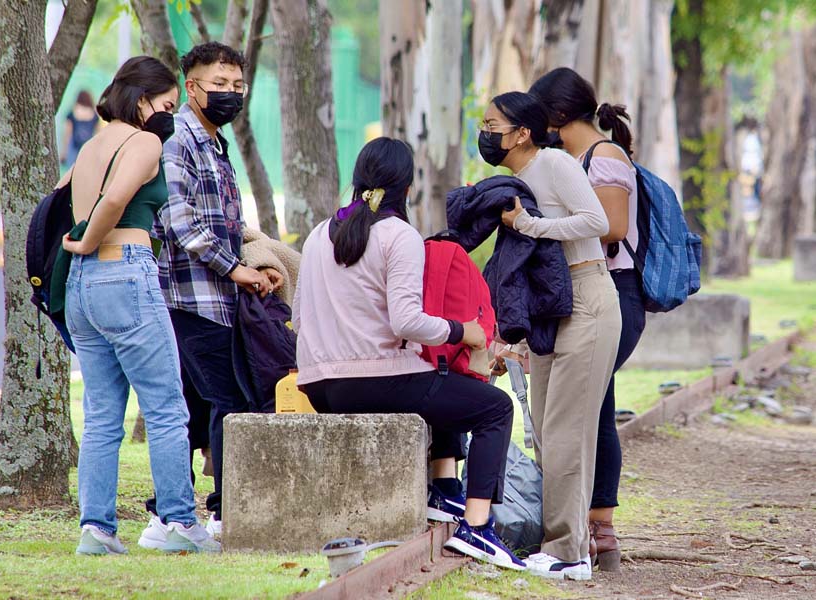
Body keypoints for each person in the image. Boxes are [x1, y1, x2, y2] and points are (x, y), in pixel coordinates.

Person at [293, 137, 521, 570]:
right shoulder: (399, 235)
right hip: (378, 383)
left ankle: (445, 495)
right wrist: (464, 331)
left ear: (357, 180)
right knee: (494, 407)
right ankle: (477, 525)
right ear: (408, 188)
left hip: (320, 387)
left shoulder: (318, 235)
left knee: (435, 377)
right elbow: (406, 322)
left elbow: (299, 319)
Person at [59, 56, 219, 555]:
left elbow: (63, 197)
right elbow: (114, 199)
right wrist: (88, 242)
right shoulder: (145, 140)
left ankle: (97, 531)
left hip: (82, 291)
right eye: (167, 104)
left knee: (103, 414)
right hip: (124, 269)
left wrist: (83, 250)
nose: (169, 115)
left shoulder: (92, 144)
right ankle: (177, 523)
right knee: (168, 407)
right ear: (142, 99)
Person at [139, 41, 277, 547]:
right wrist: (236, 269)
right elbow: (178, 222)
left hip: (216, 296)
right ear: (191, 86)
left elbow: (224, 224)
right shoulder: (179, 139)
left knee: (194, 406)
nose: (230, 94)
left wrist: (257, 259)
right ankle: (220, 513)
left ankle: (167, 515)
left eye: (237, 86)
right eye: (219, 85)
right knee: (230, 398)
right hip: (190, 298)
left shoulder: (216, 145)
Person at [479, 91, 621, 580]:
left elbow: (597, 221)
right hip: (548, 309)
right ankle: (560, 542)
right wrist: (512, 340)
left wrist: (530, 224)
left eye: (493, 124)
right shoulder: (514, 180)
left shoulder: (555, 163)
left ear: (522, 133)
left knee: (566, 432)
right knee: (543, 427)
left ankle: (570, 552)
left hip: (588, 296)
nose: (486, 132)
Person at [528, 67, 644, 572]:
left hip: (610, 288)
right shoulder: (571, 159)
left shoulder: (604, 157)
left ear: (555, 116)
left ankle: (594, 532)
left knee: (585, 413)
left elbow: (612, 226)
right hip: (575, 288)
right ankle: (590, 535)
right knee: (588, 411)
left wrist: (541, 222)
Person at [61, 90, 101, 166]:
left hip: (74, 147)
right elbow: (98, 134)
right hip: (88, 147)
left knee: (72, 172)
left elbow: (67, 134)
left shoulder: (72, 113)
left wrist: (64, 152)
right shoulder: (94, 115)